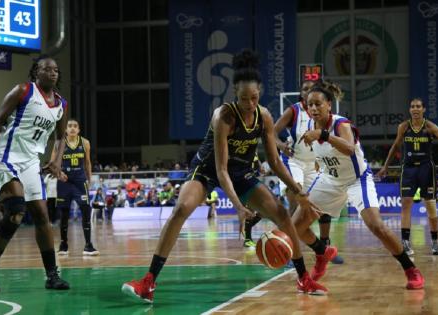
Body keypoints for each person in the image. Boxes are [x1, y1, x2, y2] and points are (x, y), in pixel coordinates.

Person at [121, 49, 328, 304]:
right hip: (208, 170)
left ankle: (303, 279)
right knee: (181, 209)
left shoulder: (264, 116)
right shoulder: (224, 116)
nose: (250, 103)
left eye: (254, 97)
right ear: (235, 95)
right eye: (244, 99)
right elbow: (220, 170)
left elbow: (274, 161)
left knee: (283, 214)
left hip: (241, 173)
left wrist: (299, 190)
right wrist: (239, 208)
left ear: (259, 93)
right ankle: (148, 282)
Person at [297, 81, 425, 289]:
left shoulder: (340, 124)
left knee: (376, 226)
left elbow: (348, 149)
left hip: (357, 180)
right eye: (309, 104)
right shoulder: (310, 126)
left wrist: (323, 135)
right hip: (330, 180)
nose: (313, 108)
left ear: (329, 104)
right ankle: (322, 252)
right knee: (297, 226)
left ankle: (411, 269)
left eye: (318, 104)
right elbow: (321, 158)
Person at [0, 56, 69, 292]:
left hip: (30, 162)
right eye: (47, 69)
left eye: (56, 70)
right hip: (5, 156)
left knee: (42, 216)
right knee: (16, 210)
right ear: (36, 71)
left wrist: (56, 161)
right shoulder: (23, 90)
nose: (53, 73)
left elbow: (60, 137)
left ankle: (51, 275)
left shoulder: (60, 104)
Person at [377, 97, 438, 256]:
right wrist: (385, 166)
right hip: (408, 169)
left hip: (426, 169)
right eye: (412, 106)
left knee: (430, 206)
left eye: (418, 106)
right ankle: (404, 242)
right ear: (410, 110)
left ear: (424, 109)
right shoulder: (403, 127)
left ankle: (436, 242)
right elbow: (395, 146)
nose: (415, 109)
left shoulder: (430, 127)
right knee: (405, 204)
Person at [274, 78, 344, 264]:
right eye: (304, 90)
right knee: (296, 202)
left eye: (310, 89)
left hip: (314, 163)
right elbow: (271, 133)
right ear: (301, 94)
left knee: (322, 204)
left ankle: (325, 246)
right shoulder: (294, 111)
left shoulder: (323, 112)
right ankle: (289, 249)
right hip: (294, 162)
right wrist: (281, 145)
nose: (307, 93)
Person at [52, 119, 99, 256]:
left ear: (78, 129)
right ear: (66, 129)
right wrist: (59, 173)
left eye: (75, 126)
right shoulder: (59, 144)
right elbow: (52, 164)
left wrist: (89, 180)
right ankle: (63, 244)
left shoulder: (85, 142)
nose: (72, 128)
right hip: (64, 182)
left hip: (80, 181)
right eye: (69, 126)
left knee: (85, 210)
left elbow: (88, 163)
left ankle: (88, 245)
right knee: (64, 214)